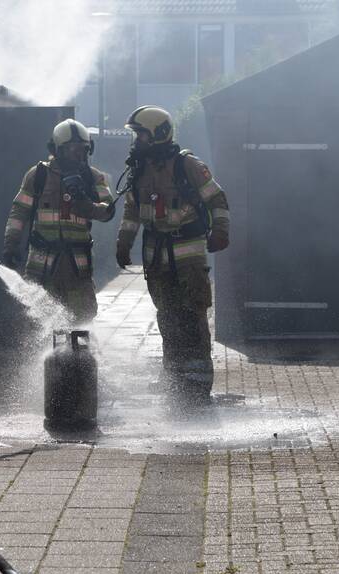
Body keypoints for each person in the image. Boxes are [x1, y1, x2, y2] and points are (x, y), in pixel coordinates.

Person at [116, 106, 230, 402]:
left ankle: (198, 383)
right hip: (156, 257)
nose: (137, 141)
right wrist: (123, 242)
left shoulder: (187, 165)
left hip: (187, 255)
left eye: (141, 135)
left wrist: (220, 230)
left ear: (158, 134)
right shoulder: (139, 169)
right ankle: (174, 379)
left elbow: (217, 198)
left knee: (192, 315)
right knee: (167, 318)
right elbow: (131, 211)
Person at [2, 119, 114, 322]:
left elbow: (108, 211)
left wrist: (87, 205)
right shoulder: (38, 175)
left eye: (83, 149)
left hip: (77, 266)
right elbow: (19, 211)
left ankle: (82, 344)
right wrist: (11, 244)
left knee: (82, 319)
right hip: (42, 266)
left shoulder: (93, 177)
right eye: (73, 149)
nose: (79, 155)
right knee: (42, 320)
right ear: (58, 150)